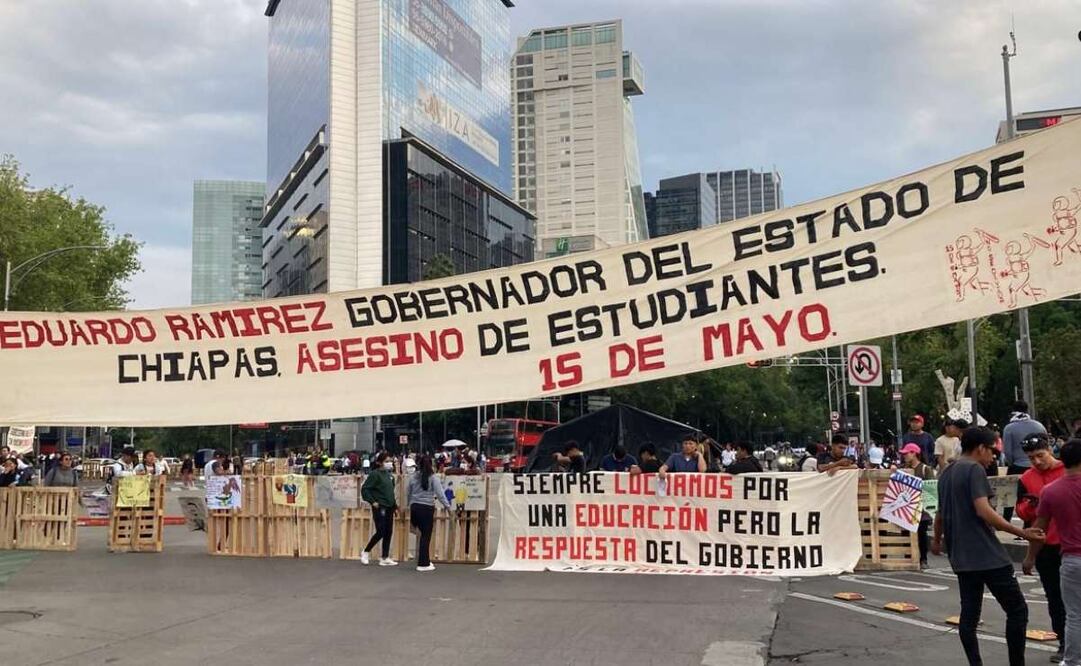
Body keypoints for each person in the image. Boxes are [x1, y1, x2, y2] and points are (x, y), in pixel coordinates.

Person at [933, 426, 1045, 666]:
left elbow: (939, 515)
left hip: (961, 556)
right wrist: (1022, 532)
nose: (993, 457)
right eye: (992, 451)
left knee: (970, 616)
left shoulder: (947, 473)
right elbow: (984, 511)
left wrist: (936, 541)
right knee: (1017, 610)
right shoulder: (973, 469)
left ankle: (976, 663)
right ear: (981, 448)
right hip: (987, 554)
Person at [1025, 439, 1081, 666]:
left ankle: (1072, 660)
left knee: (1074, 615)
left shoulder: (1051, 491)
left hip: (1071, 559)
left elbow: (1039, 529)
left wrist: (1030, 557)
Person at [1015, 434, 1067, 662]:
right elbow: (1021, 512)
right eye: (1031, 458)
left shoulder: (1069, 469)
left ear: (1050, 450)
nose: (1036, 462)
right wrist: (1031, 506)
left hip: (1071, 544)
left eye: (1040, 456)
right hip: (1046, 545)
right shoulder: (1027, 478)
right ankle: (1065, 642)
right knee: (1055, 598)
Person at [407, 455, 451, 572]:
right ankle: (423, 563)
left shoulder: (413, 477)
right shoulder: (433, 478)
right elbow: (440, 494)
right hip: (426, 508)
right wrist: (448, 507)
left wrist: (408, 505)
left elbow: (408, 493)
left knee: (420, 534)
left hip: (415, 507)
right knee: (426, 536)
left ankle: (424, 559)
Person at [900, 443, 936, 567]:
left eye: (906, 453)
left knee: (921, 533)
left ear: (914, 453)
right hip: (907, 507)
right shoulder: (903, 469)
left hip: (922, 509)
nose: (904, 456)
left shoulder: (925, 469)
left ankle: (923, 559)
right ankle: (909, 558)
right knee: (906, 533)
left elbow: (931, 488)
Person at [360, 452, 398, 566]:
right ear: (379, 462)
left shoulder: (390, 476)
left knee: (388, 531)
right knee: (381, 531)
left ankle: (385, 557)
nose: (389, 463)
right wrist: (372, 501)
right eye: (386, 461)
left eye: (390, 461)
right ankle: (366, 551)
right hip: (379, 506)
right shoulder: (375, 474)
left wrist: (394, 506)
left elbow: (390, 492)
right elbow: (365, 489)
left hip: (389, 506)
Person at [1003, 400, 1048, 477]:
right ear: (1027, 410)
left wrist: (1011, 464)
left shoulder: (1009, 428)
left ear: (1013, 411)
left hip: (1018, 466)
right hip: (1039, 466)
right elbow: (1046, 446)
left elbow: (1008, 452)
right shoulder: (1039, 426)